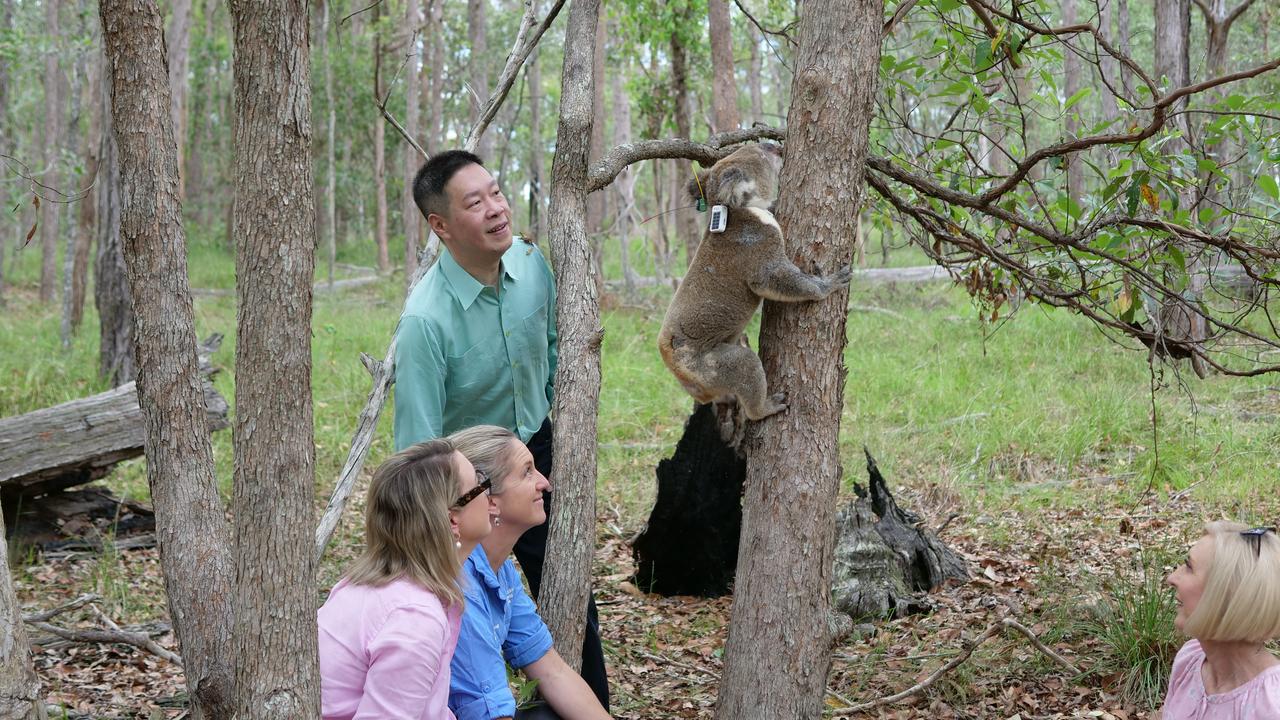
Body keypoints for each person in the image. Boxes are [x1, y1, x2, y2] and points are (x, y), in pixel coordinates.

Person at [394, 149, 609, 708]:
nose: (496, 210)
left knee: (566, 589)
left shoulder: (532, 266)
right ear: (440, 226)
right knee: (463, 604)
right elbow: (414, 450)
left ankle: (592, 703)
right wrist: (446, 518)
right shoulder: (426, 321)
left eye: (496, 192)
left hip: (534, 450)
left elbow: (561, 350)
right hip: (463, 478)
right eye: (474, 203)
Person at [318, 439, 498, 719]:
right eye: (479, 483)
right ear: (452, 520)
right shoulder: (414, 618)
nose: (489, 493)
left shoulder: (362, 586)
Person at [447, 425, 611, 720]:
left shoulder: (501, 571)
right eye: (527, 472)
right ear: (490, 501)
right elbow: (488, 714)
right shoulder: (458, 587)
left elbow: (553, 672)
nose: (545, 483)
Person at [1161, 521, 1280, 718]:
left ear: (1228, 597)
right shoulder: (1189, 660)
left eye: (1189, 567)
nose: (1172, 578)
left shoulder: (1271, 706)